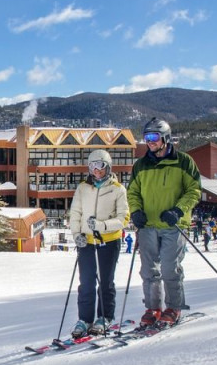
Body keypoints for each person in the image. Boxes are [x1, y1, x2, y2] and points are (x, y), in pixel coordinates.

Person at [127, 117, 201, 328]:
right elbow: (133, 192)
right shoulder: (140, 165)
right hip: (147, 225)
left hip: (172, 225)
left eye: (154, 137)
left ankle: (173, 307)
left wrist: (178, 210)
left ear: (165, 138)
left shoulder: (184, 161)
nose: (149, 142)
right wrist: (136, 211)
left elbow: (194, 190)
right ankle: (153, 308)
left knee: (170, 268)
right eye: (146, 137)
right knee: (149, 270)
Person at [68, 149, 129, 337]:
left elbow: (124, 218)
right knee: (86, 282)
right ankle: (85, 319)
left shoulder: (117, 189)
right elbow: (75, 213)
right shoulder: (83, 188)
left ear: (108, 167)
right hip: (86, 241)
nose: (96, 170)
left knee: (105, 281)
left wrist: (102, 226)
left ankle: (105, 316)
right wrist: (76, 233)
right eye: (92, 166)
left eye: (100, 166)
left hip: (108, 241)